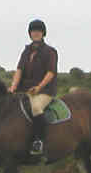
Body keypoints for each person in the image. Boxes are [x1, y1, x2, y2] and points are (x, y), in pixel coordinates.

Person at [8, 19, 58, 156]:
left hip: (45, 90)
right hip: (24, 89)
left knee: (36, 107)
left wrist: (39, 87)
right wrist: (13, 87)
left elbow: (51, 72)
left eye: (38, 31)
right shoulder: (26, 51)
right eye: (33, 31)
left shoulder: (50, 51)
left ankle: (39, 141)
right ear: (30, 33)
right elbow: (19, 70)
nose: (35, 33)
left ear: (43, 33)